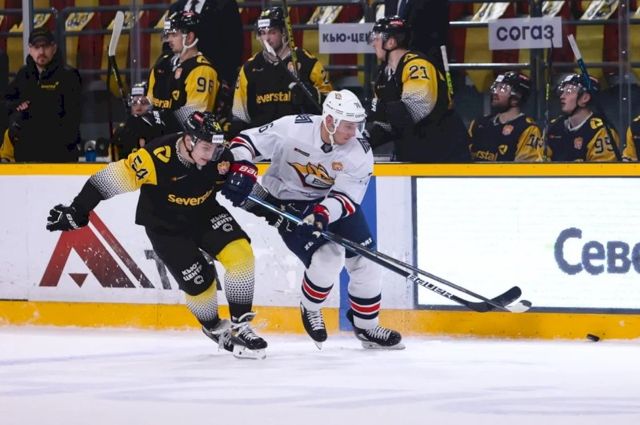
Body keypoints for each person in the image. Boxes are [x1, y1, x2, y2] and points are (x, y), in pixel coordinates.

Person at [45, 111, 267, 360]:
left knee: (241, 255)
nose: (212, 154)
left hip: (205, 214)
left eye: (216, 148)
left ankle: (241, 325)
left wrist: (275, 211)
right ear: (189, 140)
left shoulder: (221, 158)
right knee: (201, 282)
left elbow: (247, 192)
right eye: (206, 147)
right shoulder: (154, 157)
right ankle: (214, 327)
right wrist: (77, 210)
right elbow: (105, 180)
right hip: (166, 227)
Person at [221, 89, 404, 350]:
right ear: (330, 121)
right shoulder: (293, 128)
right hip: (288, 201)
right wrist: (242, 165)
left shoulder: (359, 151)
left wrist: (322, 214)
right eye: (348, 126)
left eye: (357, 125)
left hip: (330, 203)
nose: (354, 132)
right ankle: (311, 307)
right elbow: (245, 141)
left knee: (367, 262)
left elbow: (346, 197)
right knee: (329, 258)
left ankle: (367, 327)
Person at [366, 16, 469, 162]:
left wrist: (376, 108)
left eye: (376, 38)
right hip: (416, 152)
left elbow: (414, 110)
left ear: (390, 42)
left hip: (444, 153)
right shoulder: (383, 74)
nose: (373, 43)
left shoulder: (417, 65)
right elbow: (390, 123)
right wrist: (366, 140)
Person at [230, 6, 333, 137]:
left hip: (299, 137)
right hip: (263, 139)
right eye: (262, 33)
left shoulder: (307, 62)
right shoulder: (249, 68)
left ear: (283, 32)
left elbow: (330, 105)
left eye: (272, 32)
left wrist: (309, 93)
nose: (267, 38)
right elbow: (240, 115)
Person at [1, 28, 81, 162]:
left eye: (45, 47)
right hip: (26, 154)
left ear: (54, 48)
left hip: (60, 155)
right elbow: (6, 102)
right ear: (30, 49)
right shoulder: (23, 74)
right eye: (37, 47)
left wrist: (33, 109)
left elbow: (72, 119)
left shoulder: (69, 76)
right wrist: (17, 107)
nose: (41, 52)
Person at [147, 11, 219, 133]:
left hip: (187, 137)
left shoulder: (202, 69)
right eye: (168, 35)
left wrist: (158, 119)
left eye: (174, 35)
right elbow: (150, 101)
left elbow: (195, 118)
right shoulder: (162, 63)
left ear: (189, 37)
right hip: (159, 132)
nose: (169, 40)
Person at [168, 0, 243, 90]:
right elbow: (168, 46)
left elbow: (234, 47)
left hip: (214, 80)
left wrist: (224, 79)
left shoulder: (226, 5)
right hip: (176, 81)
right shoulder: (175, 7)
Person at [468, 72, 543, 162]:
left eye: (502, 88)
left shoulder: (528, 129)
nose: (495, 92)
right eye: (496, 87)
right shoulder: (479, 123)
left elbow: (525, 167)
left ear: (516, 98)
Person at [546, 74, 621, 162]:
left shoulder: (601, 131)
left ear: (585, 98)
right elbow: (541, 160)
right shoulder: (554, 126)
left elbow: (601, 169)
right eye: (562, 92)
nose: (562, 96)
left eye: (569, 92)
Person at [111, 82, 167, 160]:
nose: (138, 106)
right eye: (134, 103)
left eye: (143, 102)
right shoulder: (120, 131)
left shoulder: (162, 127)